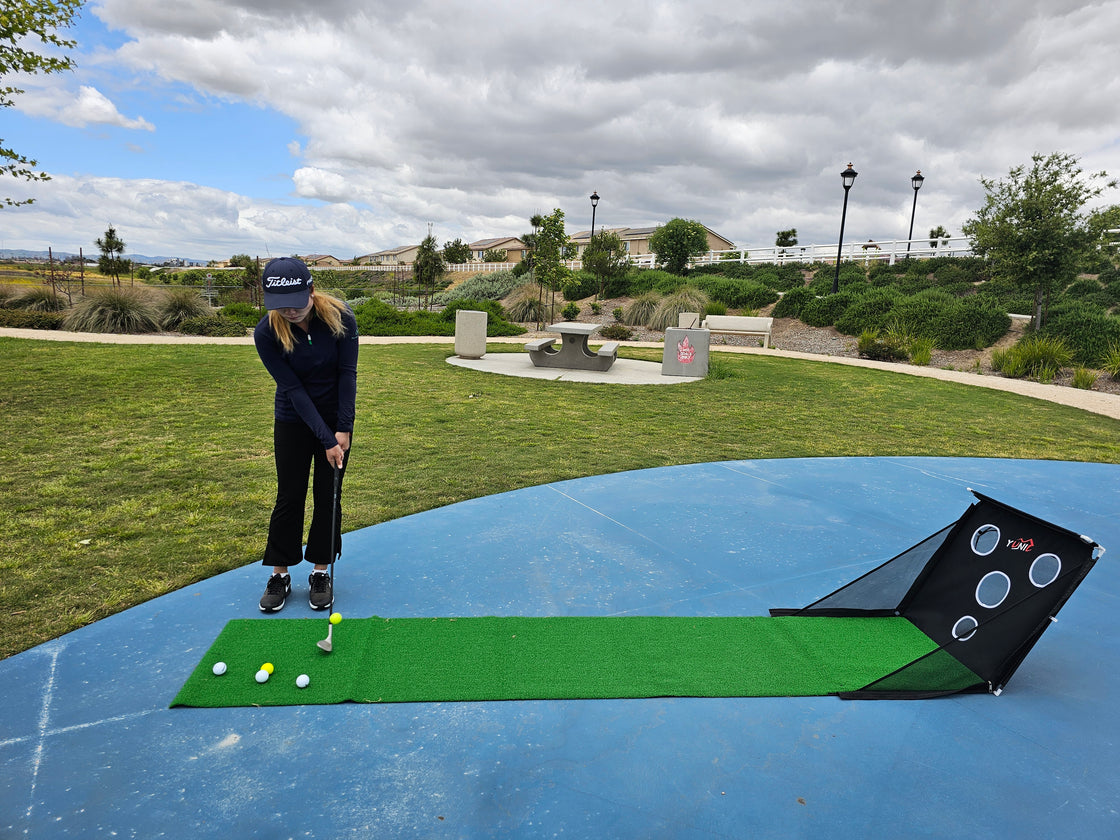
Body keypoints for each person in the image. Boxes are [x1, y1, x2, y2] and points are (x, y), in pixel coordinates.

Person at [253, 257, 359, 613]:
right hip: (293, 418)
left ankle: (320, 571)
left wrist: (342, 429)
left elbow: (347, 375)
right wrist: (326, 439)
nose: (289, 311)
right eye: (279, 305)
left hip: (336, 418)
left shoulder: (342, 319)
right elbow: (293, 390)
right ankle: (280, 574)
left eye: (295, 303)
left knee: (328, 494)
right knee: (290, 494)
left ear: (311, 291)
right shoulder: (267, 332)